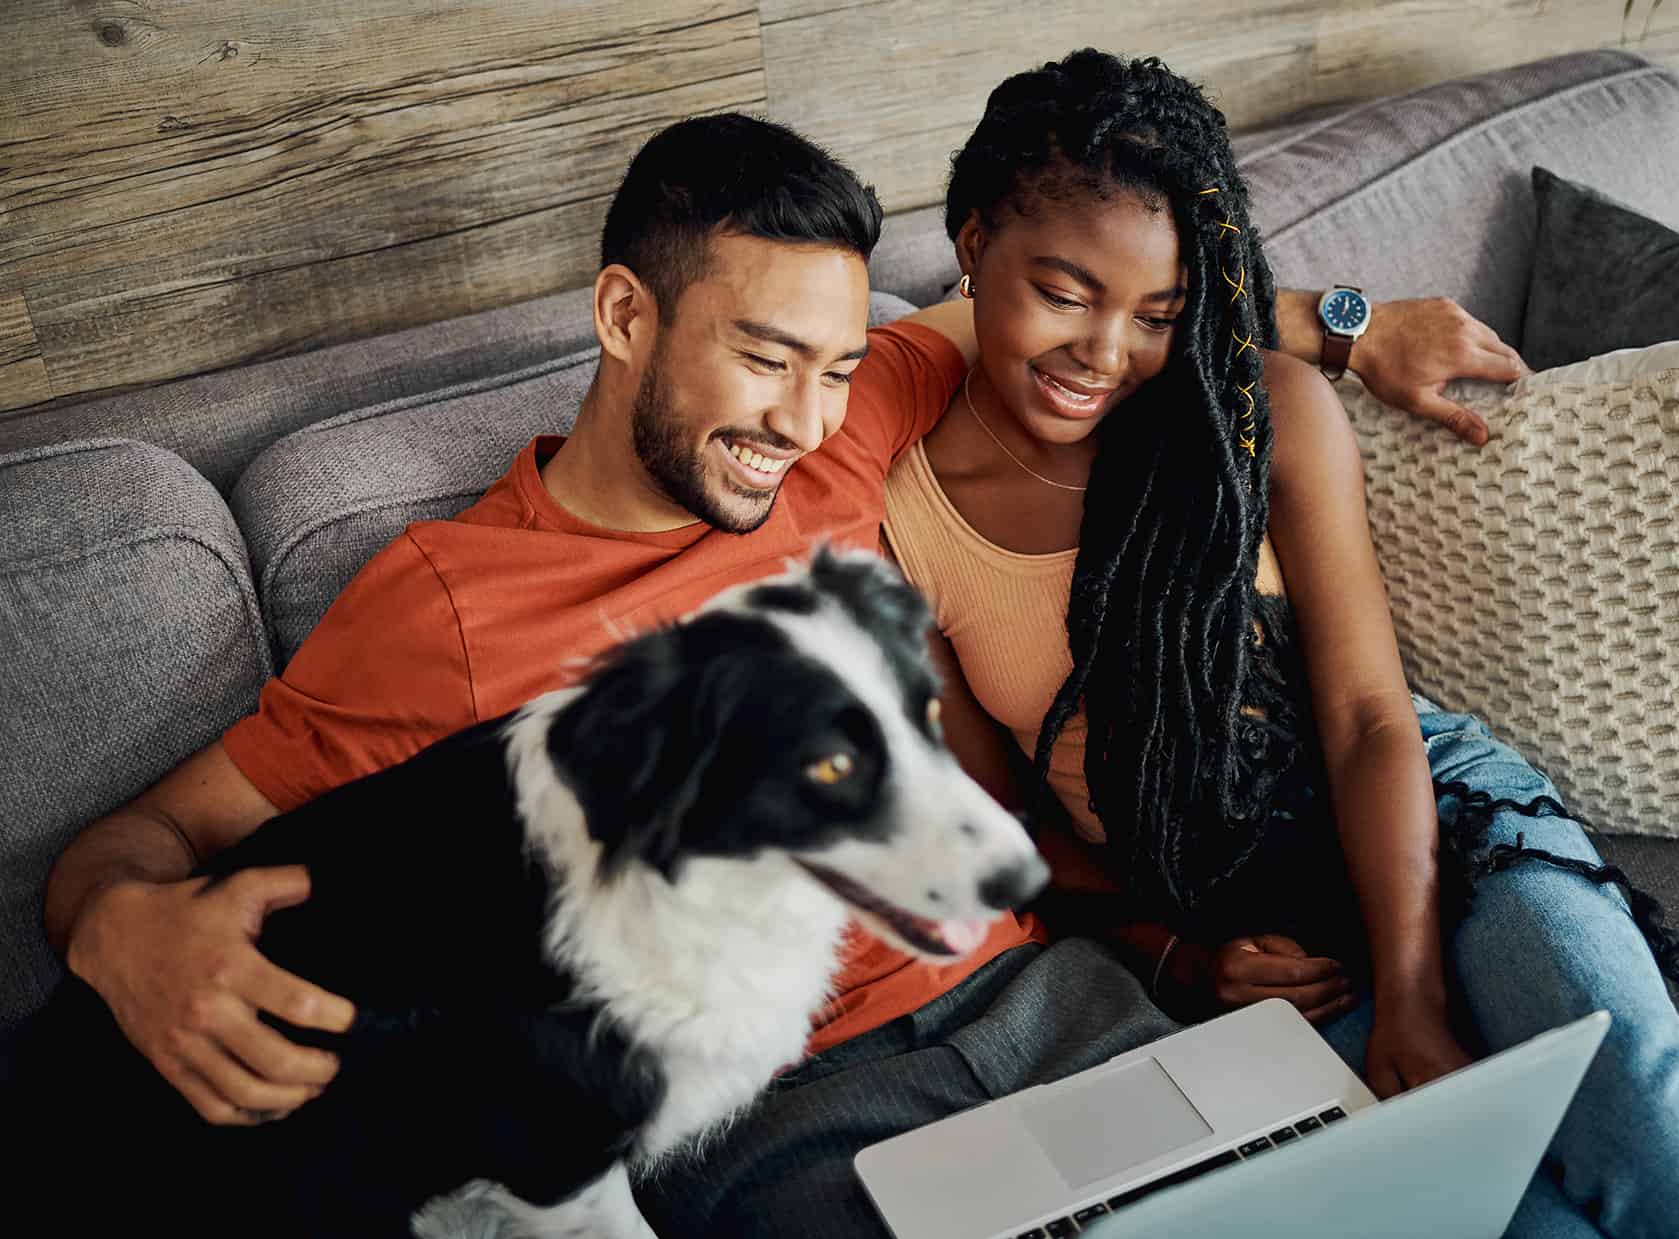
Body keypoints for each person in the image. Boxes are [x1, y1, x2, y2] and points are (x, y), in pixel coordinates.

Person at [36, 104, 1505, 1216]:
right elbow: (149, 830)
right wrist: (121, 927)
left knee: (1367, 1197)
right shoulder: (446, 601)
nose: (807, 420)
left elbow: (1086, 340)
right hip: (786, 1107)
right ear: (626, 316)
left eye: (839, 362)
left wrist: (1348, 327)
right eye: (762, 359)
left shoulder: (840, 427)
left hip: (1053, 996)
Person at [877, 50, 1679, 1239]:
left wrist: (1413, 995)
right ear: (971, 245)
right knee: (1511, 1218)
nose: (1104, 353)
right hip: (1236, 925)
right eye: (1062, 293)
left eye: (1158, 315)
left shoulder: (1255, 412)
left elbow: (1371, 723)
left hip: (1433, 822)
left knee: (1644, 1105)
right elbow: (1005, 829)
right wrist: (1170, 952)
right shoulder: (901, 508)